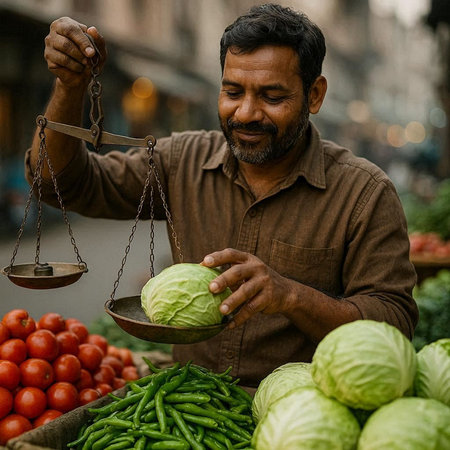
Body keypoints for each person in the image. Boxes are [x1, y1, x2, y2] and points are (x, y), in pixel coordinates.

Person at [26, 3, 418, 388]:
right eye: (233, 92)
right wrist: (70, 85)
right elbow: (60, 185)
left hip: (293, 415)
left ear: (314, 95)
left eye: (272, 97)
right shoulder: (181, 160)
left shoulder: (364, 194)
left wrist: (292, 296)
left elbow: (394, 324)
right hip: (193, 409)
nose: (246, 113)